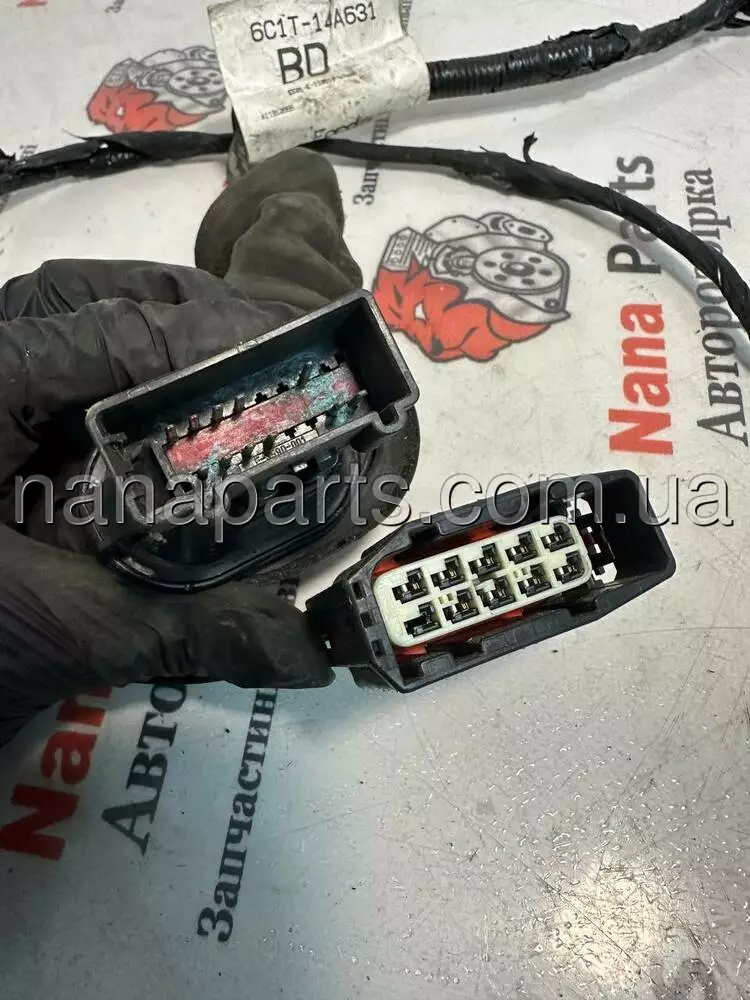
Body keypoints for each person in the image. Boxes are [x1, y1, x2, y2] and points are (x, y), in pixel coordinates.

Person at [0, 148, 362, 749]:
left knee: (279, 340)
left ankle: (282, 266)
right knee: (277, 329)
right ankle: (281, 257)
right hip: (112, 529)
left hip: (296, 482)